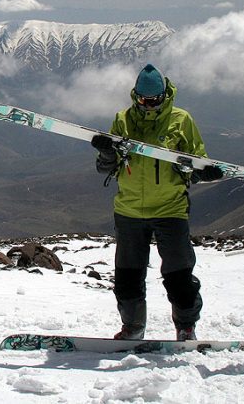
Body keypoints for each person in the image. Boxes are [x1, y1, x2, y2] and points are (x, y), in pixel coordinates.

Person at [91, 64, 222, 341]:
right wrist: (106, 154)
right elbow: (107, 169)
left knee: (179, 275)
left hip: (170, 209)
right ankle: (133, 327)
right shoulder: (123, 120)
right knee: (127, 277)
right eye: (142, 100)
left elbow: (195, 163)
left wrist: (202, 171)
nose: (148, 106)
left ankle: (186, 326)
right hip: (129, 211)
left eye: (154, 100)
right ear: (135, 95)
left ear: (164, 96)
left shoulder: (181, 120)